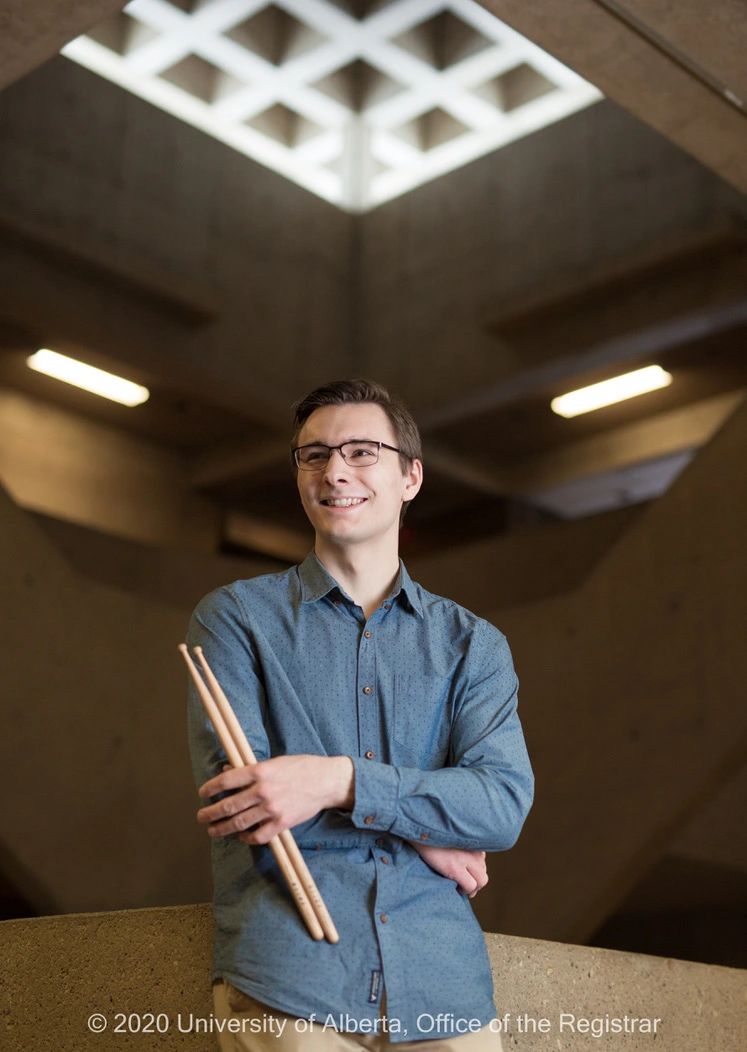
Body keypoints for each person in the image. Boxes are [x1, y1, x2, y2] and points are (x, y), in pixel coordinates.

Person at [187, 379, 533, 1052]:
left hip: (445, 986)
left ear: (410, 477)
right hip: (291, 976)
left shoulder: (474, 644)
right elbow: (248, 798)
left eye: (360, 451)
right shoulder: (235, 619)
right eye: (312, 455)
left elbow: (500, 805)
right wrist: (420, 823)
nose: (333, 471)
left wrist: (337, 780)